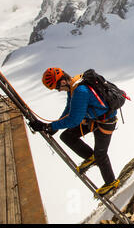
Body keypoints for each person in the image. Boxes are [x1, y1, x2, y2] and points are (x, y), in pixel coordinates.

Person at [29, 67, 120, 196]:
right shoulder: (74, 86)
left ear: (62, 82)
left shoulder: (80, 91)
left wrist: (48, 127)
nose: (58, 90)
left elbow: (74, 119)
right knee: (67, 136)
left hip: (106, 122)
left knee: (101, 154)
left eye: (56, 87)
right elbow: (69, 109)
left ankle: (111, 182)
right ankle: (91, 157)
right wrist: (52, 127)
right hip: (94, 119)